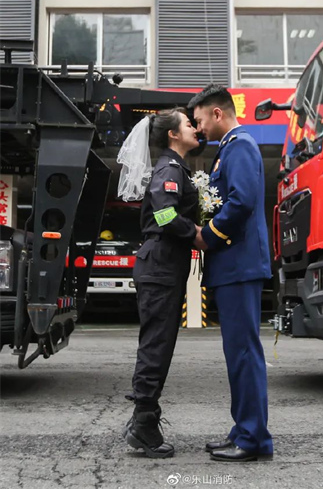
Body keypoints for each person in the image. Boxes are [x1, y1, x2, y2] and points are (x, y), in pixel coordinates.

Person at [188, 84, 274, 463]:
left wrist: (207, 235)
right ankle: (244, 430)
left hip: (238, 265)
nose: (199, 127)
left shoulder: (239, 146)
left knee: (243, 353)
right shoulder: (230, 149)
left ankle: (253, 439)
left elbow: (241, 200)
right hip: (233, 266)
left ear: (217, 113)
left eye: (200, 119)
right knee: (238, 353)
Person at [119, 108, 200, 459]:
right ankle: (143, 425)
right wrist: (194, 233)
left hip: (163, 266)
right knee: (156, 345)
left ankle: (143, 418)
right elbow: (165, 215)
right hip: (160, 266)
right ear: (172, 135)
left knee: (158, 344)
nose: (195, 128)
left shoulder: (176, 168)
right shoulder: (169, 169)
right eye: (188, 124)